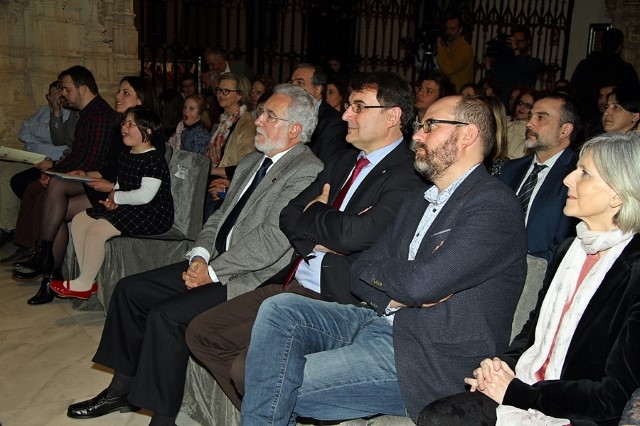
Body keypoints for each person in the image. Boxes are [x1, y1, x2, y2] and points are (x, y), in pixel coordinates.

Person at [239, 95, 527, 424]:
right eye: (420, 125)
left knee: (280, 384)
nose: (417, 135)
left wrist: (409, 286)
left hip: (426, 357)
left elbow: (421, 283)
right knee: (280, 309)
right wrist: (400, 295)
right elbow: (361, 270)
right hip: (379, 322)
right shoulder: (419, 200)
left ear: (467, 135)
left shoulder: (493, 205)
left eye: (429, 126)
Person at [64, 84, 323, 425]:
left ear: (295, 129)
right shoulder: (251, 162)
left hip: (247, 277)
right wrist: (200, 254)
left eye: (269, 116)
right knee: (129, 291)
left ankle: (163, 416)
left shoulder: (307, 170)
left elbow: (272, 239)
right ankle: (122, 389)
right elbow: (218, 217)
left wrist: (213, 272)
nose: (258, 121)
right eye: (261, 113)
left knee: (166, 315)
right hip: (213, 262)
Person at [185, 70, 426, 408]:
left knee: (249, 369)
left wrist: (316, 218)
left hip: (339, 298)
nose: (345, 114)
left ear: (393, 116)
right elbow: (289, 215)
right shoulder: (343, 160)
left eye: (358, 107)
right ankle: (272, 410)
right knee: (202, 333)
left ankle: (271, 407)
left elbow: (353, 234)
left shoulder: (409, 173)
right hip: (295, 281)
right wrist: (321, 237)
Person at [420, 132, 640, 426]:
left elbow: (612, 397)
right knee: (436, 416)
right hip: (527, 385)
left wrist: (518, 394)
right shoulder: (569, 250)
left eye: (584, 173)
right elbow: (533, 332)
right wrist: (502, 365)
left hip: (581, 413)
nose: (567, 180)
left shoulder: (634, 271)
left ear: (618, 193)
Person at [14, 76, 156, 305]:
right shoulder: (120, 126)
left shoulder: (145, 133)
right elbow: (108, 167)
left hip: (117, 192)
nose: (118, 96)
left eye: (125, 93)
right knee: (53, 196)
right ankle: (50, 273)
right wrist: (87, 174)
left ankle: (44, 259)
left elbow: (137, 178)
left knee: (55, 195)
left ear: (141, 101)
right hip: (104, 185)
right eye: (119, 91)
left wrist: (106, 184)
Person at [3, 66, 116, 274]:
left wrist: (55, 172)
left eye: (66, 89)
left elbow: (92, 161)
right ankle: (47, 267)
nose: (62, 94)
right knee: (41, 193)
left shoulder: (99, 115)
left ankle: (43, 256)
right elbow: (76, 156)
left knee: (49, 192)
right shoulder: (87, 114)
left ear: (82, 89)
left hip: (96, 181)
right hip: (84, 177)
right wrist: (54, 171)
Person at [50, 108, 173, 299]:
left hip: (153, 213)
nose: (124, 127)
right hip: (131, 208)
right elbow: (121, 184)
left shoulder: (154, 159)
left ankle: (83, 284)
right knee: (80, 219)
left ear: (148, 131)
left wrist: (116, 197)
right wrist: (113, 199)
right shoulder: (126, 155)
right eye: (124, 123)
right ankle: (87, 280)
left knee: (98, 229)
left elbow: (145, 196)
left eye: (131, 124)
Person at [500, 93, 580, 264]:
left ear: (565, 130)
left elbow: (564, 244)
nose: (529, 123)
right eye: (530, 116)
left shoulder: (577, 174)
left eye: (541, 117)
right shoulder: (510, 170)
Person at [0, 81, 72, 249]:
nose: (53, 99)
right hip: (28, 157)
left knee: (6, 178)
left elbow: (55, 137)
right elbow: (22, 132)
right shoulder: (41, 111)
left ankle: (6, 227)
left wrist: (35, 130)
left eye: (57, 95)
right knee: (2, 169)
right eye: (50, 95)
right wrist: (39, 130)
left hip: (46, 159)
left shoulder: (69, 115)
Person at [204, 73, 256, 218]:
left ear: (239, 95)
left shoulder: (246, 125)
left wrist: (211, 170)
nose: (220, 94)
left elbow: (246, 166)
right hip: (214, 186)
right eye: (219, 90)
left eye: (226, 91)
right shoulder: (225, 121)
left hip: (224, 190)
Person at [571, 28, 639, 121]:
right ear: (619, 47)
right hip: (614, 120)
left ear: (601, 45)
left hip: (584, 118)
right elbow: (633, 98)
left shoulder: (585, 65)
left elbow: (573, 92)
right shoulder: (626, 69)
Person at [289, 63, 350, 163]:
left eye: (300, 83)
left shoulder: (333, 123)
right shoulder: (288, 113)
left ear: (317, 90)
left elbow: (324, 165)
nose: (292, 88)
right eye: (292, 82)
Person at [486, 27, 543, 107]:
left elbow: (524, 67)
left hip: (521, 107)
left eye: (519, 41)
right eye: (513, 41)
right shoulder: (504, 62)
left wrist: (515, 48)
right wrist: (488, 67)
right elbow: (492, 83)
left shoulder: (534, 62)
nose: (515, 44)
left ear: (528, 42)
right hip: (502, 106)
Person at [436, 16, 475, 92]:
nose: (448, 32)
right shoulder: (451, 45)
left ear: (460, 29)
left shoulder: (464, 48)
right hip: (449, 91)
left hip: (458, 92)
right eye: (446, 28)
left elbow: (448, 69)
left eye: (452, 29)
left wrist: (440, 48)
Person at [505, 88, 538, 159]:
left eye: (527, 105)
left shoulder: (533, 130)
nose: (522, 107)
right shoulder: (505, 121)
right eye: (520, 103)